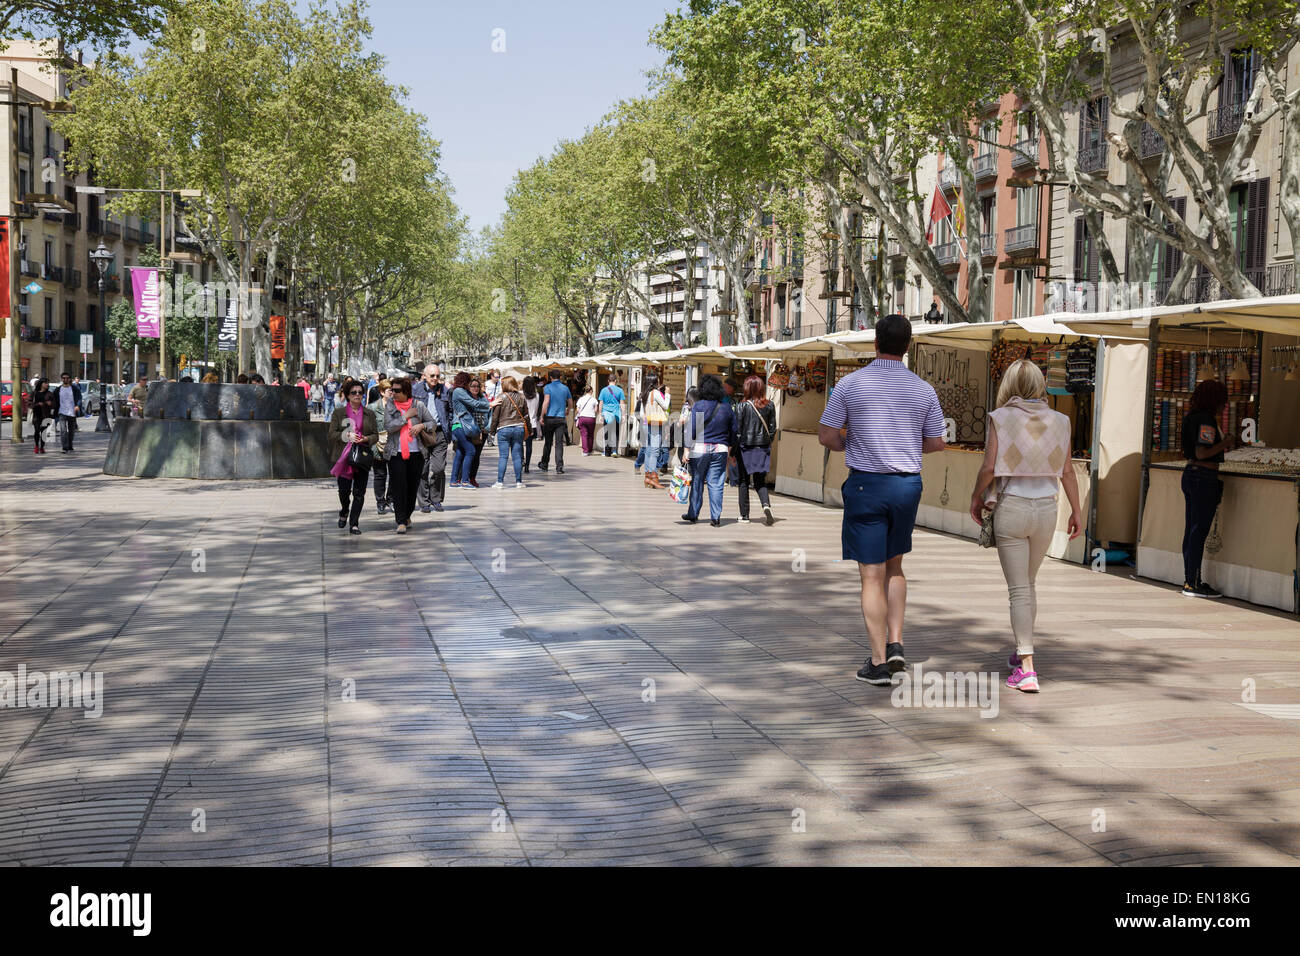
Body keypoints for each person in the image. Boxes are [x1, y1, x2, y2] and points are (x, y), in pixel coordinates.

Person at [818, 314, 946, 687]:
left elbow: (827, 434)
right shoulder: (923, 390)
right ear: (908, 347)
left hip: (866, 486)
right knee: (896, 567)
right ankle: (896, 644)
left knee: (870, 576)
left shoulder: (850, 384)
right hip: (907, 487)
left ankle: (877, 664)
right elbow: (937, 442)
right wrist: (906, 445)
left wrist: (851, 443)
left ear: (875, 343)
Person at [969, 360, 1082, 694]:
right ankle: (1022, 652)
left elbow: (989, 466)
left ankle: (1027, 667)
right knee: (1028, 584)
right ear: (1039, 384)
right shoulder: (1061, 421)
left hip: (1012, 507)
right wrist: (1077, 511)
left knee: (1019, 589)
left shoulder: (999, 418)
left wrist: (976, 497)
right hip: (1047, 508)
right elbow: (1068, 471)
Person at [1178, 378, 1234, 599]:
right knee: (1198, 531)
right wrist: (1225, 442)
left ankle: (1190, 579)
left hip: (1191, 475)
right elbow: (1202, 452)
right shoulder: (1206, 421)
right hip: (1203, 476)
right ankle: (1192, 583)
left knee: (1191, 529)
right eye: (1223, 401)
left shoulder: (1191, 417)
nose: (1225, 405)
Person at [382, 377, 437, 534]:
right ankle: (400, 520)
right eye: (392, 390)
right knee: (399, 487)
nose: (394, 393)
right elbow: (389, 426)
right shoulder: (391, 405)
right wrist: (405, 417)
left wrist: (421, 425)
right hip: (395, 453)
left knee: (412, 487)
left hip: (416, 453)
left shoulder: (418, 406)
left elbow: (432, 423)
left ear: (406, 391)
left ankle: (407, 515)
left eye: (397, 390)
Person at [681, 375, 736, 527]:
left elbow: (692, 430)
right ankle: (716, 517)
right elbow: (734, 430)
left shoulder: (699, 406)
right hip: (720, 449)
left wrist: (686, 449)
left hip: (700, 449)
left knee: (697, 481)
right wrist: (730, 447)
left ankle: (693, 513)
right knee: (716, 483)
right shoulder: (727, 408)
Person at [328, 378, 379, 535]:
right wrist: (346, 435)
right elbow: (332, 434)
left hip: (362, 456)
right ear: (347, 395)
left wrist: (365, 439)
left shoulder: (369, 414)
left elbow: (375, 435)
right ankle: (344, 511)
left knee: (359, 492)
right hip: (344, 458)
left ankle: (354, 523)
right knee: (344, 491)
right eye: (353, 393)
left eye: (360, 392)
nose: (357, 395)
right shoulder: (338, 413)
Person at [735, 375, 777, 525]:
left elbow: (738, 431)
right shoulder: (770, 405)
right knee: (760, 480)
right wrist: (767, 442)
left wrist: (735, 449)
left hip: (745, 447)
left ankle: (744, 515)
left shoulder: (742, 406)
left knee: (743, 481)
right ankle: (766, 505)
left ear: (747, 388)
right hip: (762, 447)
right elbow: (773, 428)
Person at [412, 364, 452, 512]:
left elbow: (451, 411)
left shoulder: (445, 391)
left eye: (437, 376)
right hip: (420, 433)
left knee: (438, 468)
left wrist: (450, 429)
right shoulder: (415, 390)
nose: (435, 379)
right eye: (432, 376)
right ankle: (424, 502)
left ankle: (436, 499)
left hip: (439, 432)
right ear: (424, 375)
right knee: (422, 469)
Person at [449, 373, 489, 488]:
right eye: (469, 382)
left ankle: (453, 480)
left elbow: (474, 405)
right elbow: (473, 403)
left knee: (460, 453)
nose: (471, 386)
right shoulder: (459, 391)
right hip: (460, 425)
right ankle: (465, 481)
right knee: (471, 451)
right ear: (465, 381)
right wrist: (489, 404)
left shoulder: (460, 391)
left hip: (460, 425)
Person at [490, 375, 529, 488]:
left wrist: (492, 432)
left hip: (504, 428)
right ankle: (519, 482)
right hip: (518, 427)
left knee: (503, 456)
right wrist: (530, 430)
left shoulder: (501, 397)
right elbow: (526, 415)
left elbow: (495, 417)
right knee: (517, 456)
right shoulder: (522, 397)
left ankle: (500, 482)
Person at [634, 372, 671, 476]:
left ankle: (647, 474)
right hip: (655, 423)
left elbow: (641, 413)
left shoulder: (644, 393)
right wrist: (667, 394)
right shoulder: (655, 392)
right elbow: (665, 406)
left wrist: (646, 421)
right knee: (655, 450)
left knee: (649, 449)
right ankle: (653, 476)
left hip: (647, 423)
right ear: (655, 381)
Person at [538, 368, 573, 474]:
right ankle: (559, 466)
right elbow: (570, 402)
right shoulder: (565, 388)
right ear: (560, 377)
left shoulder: (547, 387)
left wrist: (541, 415)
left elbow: (546, 402)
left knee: (548, 442)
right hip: (561, 418)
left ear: (551, 377)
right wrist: (568, 410)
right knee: (559, 443)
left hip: (550, 418)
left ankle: (544, 464)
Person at [367, 380, 394, 515]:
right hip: (378, 446)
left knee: (395, 474)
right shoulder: (372, 408)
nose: (392, 392)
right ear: (382, 392)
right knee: (380, 475)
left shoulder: (397, 406)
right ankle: (380, 502)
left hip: (394, 445)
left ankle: (391, 499)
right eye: (389, 390)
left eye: (393, 390)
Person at [50, 372, 83, 453]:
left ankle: (70, 445)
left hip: (72, 412)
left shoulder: (74, 388)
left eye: (67, 378)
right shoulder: (58, 389)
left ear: (70, 379)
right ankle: (65, 447)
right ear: (61, 379)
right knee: (63, 430)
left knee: (71, 431)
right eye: (64, 378)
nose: (65, 379)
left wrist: (77, 406)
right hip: (62, 412)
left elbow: (79, 397)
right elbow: (53, 399)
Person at [598, 372, 625, 457]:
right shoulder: (620, 390)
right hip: (616, 413)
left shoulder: (603, 390)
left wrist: (600, 414)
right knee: (616, 432)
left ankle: (607, 452)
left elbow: (601, 403)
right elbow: (622, 403)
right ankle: (614, 451)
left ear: (608, 381)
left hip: (606, 413)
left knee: (607, 431)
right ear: (616, 381)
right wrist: (623, 414)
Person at [521, 375, 542, 474]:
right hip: (532, 423)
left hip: (521, 423)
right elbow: (537, 409)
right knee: (529, 446)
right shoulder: (537, 395)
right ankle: (527, 466)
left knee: (519, 444)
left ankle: (522, 460)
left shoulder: (521, 395)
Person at [675, 386, 699, 468]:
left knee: (683, 457)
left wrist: (678, 423)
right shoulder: (701, 406)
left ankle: (686, 476)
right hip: (698, 437)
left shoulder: (686, 406)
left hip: (687, 435)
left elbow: (682, 420)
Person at [29, 378, 53, 454]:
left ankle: (42, 447)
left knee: (44, 432)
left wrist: (50, 404)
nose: (47, 384)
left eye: (48, 383)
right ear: (41, 384)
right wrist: (37, 404)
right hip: (36, 415)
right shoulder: (34, 393)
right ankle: (36, 446)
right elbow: (29, 403)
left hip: (46, 415)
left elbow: (54, 404)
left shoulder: (49, 393)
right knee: (37, 431)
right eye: (46, 383)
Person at [575, 385, 599, 456]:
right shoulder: (594, 399)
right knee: (590, 435)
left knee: (584, 435)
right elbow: (595, 410)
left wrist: (582, 413)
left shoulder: (581, 399)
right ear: (591, 391)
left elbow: (578, 409)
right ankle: (590, 450)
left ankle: (585, 451)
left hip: (582, 418)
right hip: (591, 418)